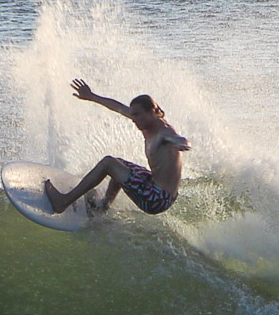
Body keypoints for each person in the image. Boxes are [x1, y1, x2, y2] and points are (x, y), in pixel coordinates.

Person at [44, 79, 191, 216]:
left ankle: (62, 202)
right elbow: (118, 107)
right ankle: (103, 207)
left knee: (108, 163)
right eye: (132, 115)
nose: (134, 119)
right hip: (157, 189)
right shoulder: (146, 123)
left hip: (156, 199)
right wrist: (91, 96)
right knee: (118, 164)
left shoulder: (163, 132)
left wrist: (182, 143)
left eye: (137, 115)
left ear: (152, 112)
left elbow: (180, 139)